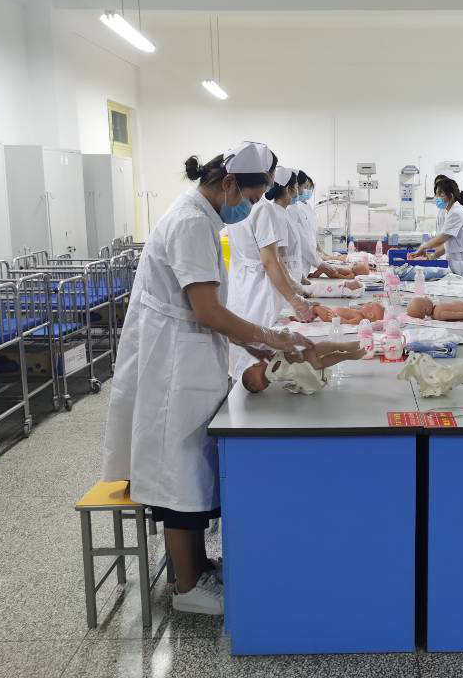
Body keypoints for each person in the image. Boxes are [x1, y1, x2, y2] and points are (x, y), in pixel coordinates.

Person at [101, 141, 313, 617]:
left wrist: (256, 345)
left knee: (191, 471)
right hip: (173, 364)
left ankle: (197, 566)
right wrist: (269, 337)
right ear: (229, 183)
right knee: (179, 477)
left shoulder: (201, 217)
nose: (248, 208)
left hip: (185, 354)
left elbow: (209, 308)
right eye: (249, 197)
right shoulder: (192, 223)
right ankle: (187, 587)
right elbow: (206, 310)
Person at [227, 166, 314, 382]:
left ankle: (241, 385)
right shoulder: (263, 209)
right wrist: (294, 299)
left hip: (241, 283)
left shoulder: (235, 206)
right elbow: (270, 260)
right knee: (260, 343)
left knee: (243, 348)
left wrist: (294, 287)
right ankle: (252, 384)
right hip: (259, 287)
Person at [409, 178, 463, 295]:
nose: (438, 198)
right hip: (455, 259)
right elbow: (449, 243)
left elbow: (443, 238)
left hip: (462, 261)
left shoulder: (456, 212)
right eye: (436, 194)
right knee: (457, 293)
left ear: (451, 195)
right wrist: (433, 256)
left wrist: (424, 247)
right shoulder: (449, 211)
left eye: (441, 194)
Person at [241, 341, 366, 393]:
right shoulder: (271, 373)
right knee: (318, 353)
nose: (257, 363)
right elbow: (285, 368)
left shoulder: (271, 367)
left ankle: (346, 352)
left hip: (306, 365)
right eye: (254, 386)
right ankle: (346, 351)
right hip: (304, 363)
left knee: (321, 359)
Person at [267, 166, 304, 290]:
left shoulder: (284, 212)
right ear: (289, 189)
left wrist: (301, 276)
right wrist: (290, 281)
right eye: (297, 187)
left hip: (293, 275)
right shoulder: (278, 215)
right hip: (287, 279)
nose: (298, 191)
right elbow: (278, 254)